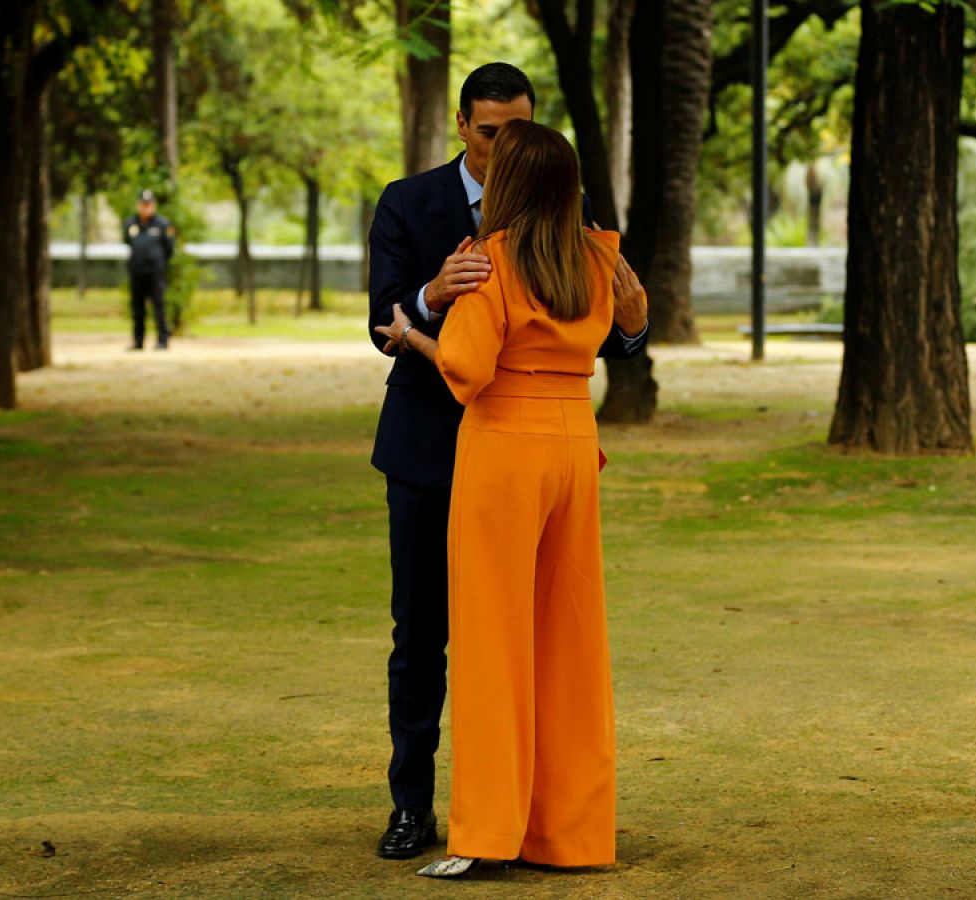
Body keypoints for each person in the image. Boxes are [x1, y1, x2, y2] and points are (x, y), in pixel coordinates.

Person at [366, 61, 649, 862]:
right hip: (448, 449)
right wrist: (430, 293)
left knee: (509, 643)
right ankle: (416, 808)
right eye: (489, 130)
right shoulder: (408, 201)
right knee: (424, 636)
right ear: (463, 126)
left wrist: (634, 325)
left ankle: (503, 823)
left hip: (500, 444)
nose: (499, 144)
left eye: (514, 132)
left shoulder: (540, 239)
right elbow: (382, 309)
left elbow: (593, 337)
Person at [124, 189, 176, 351]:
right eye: (143, 204)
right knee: (137, 307)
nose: (146, 208)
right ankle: (138, 341)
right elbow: (127, 242)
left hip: (155, 272)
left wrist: (158, 263)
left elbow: (169, 249)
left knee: (159, 306)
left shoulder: (163, 224)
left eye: (149, 204)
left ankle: (162, 340)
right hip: (137, 272)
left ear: (154, 205)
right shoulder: (131, 223)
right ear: (138, 205)